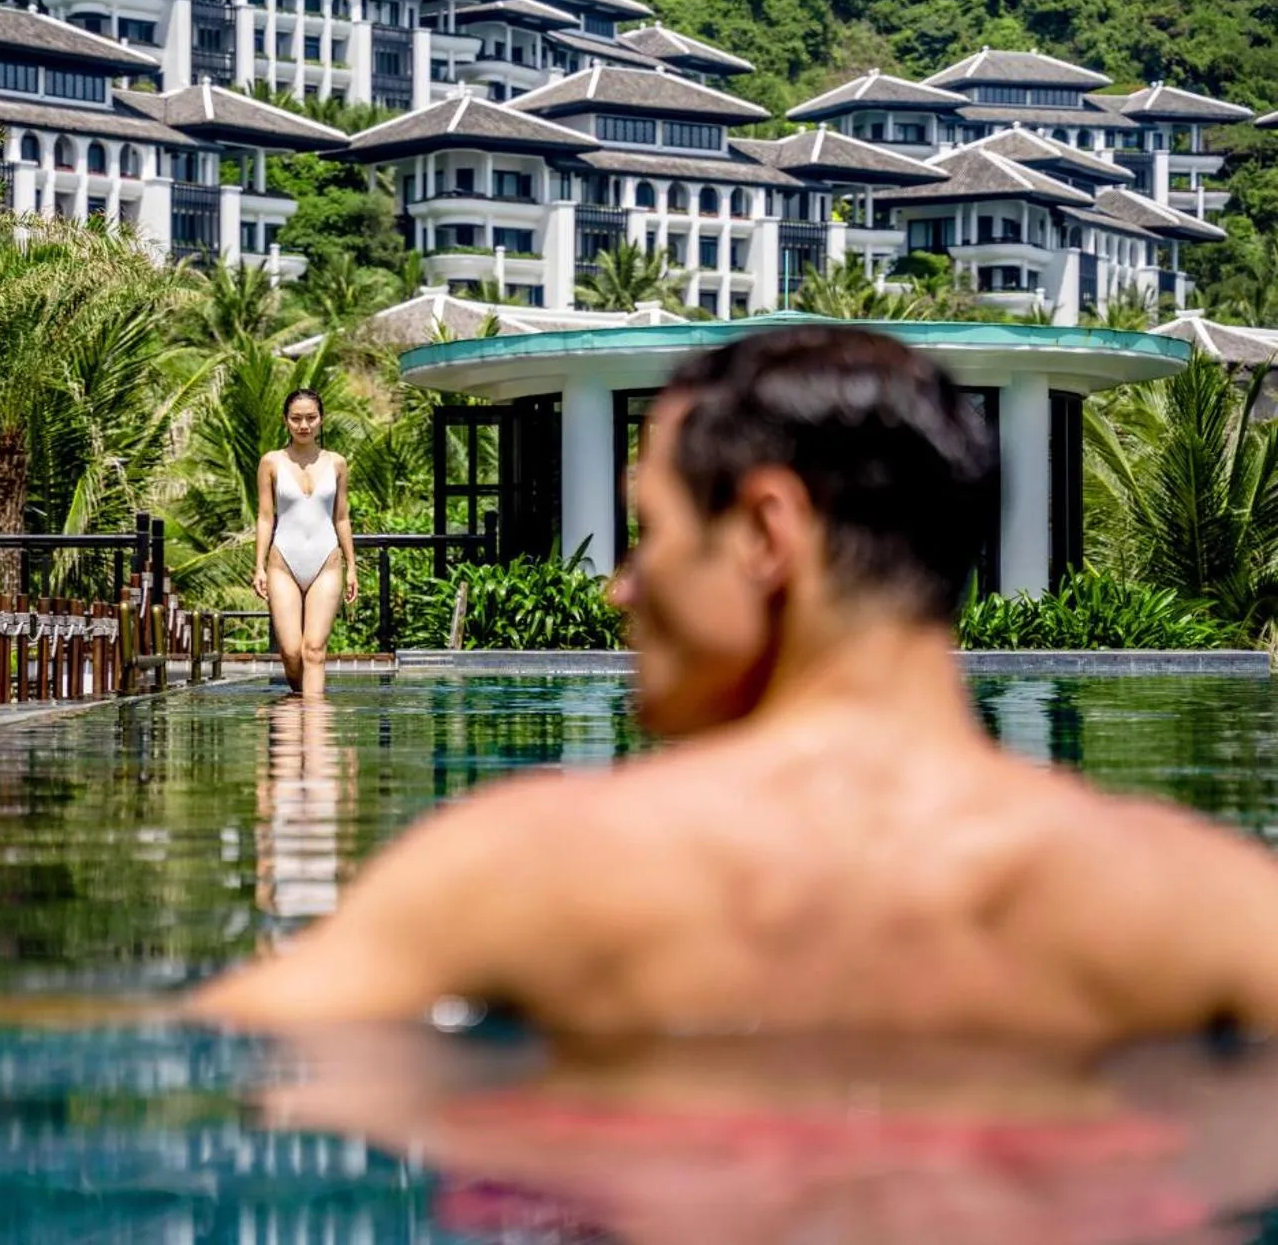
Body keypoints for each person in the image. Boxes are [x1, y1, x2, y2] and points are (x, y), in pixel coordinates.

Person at [192, 323, 1278, 1051]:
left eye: (649, 531)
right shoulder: (1207, 913)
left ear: (764, 534)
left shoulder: (524, 878)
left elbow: (256, 1059)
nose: (620, 588)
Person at [252, 389, 358, 697]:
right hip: (283, 562)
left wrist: (352, 567)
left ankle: (314, 732)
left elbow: (341, 517)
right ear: (286, 421)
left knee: (314, 650)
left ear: (321, 420)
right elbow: (265, 517)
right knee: (291, 652)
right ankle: (302, 704)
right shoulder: (271, 462)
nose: (304, 425)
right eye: (296, 418)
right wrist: (258, 566)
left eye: (311, 418)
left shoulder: (337, 463)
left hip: (326, 562)